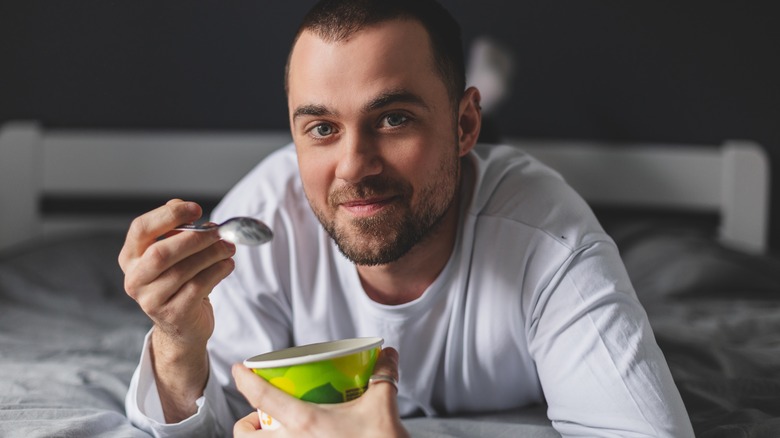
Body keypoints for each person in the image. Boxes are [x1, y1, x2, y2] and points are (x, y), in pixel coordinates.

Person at [120, 0, 695, 436]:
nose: (353, 168)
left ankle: (485, 97)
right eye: (321, 128)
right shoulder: (263, 220)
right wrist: (177, 342)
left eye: (393, 119)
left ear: (461, 124)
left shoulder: (550, 238)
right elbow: (200, 417)